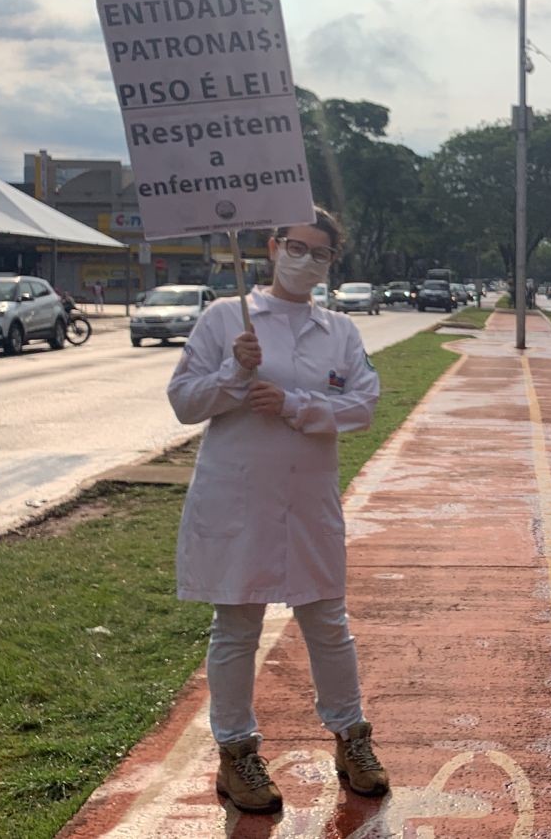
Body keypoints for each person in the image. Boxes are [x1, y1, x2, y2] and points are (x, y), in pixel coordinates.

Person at [166, 207, 389, 815]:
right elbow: (185, 403)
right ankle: (236, 752)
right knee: (237, 629)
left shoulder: (338, 330)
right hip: (238, 499)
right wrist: (235, 372)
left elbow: (364, 405)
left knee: (327, 624)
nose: (306, 261)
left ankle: (351, 738)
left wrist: (296, 404)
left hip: (308, 502)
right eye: (297, 247)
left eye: (320, 253)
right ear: (271, 246)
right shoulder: (224, 319)